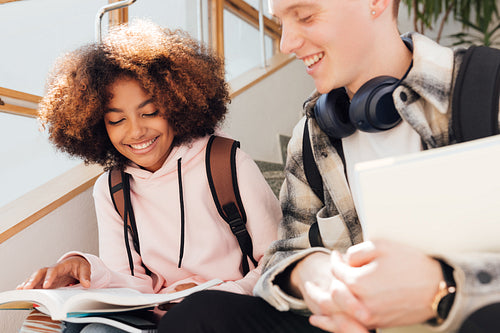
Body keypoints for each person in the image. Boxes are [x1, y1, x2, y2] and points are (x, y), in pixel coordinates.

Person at [157, 0, 500, 332]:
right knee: (199, 315)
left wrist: (443, 288)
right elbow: (283, 254)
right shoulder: (312, 134)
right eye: (280, 23)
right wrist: (310, 273)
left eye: (304, 16)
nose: (287, 42)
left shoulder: (489, 90)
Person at [17, 19, 281, 333]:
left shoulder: (226, 162)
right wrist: (84, 266)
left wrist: (220, 295)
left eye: (150, 112)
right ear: (99, 127)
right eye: (117, 120)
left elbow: (278, 258)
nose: (136, 131)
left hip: (226, 313)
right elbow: (130, 283)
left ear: (177, 104)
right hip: (154, 319)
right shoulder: (112, 188)